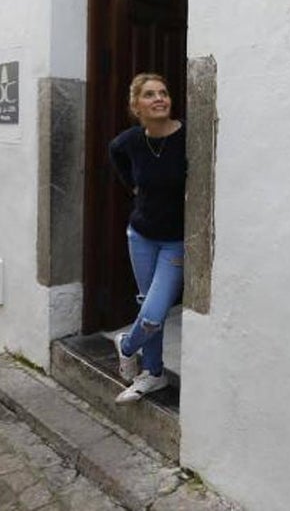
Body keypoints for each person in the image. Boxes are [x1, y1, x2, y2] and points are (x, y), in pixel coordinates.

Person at [108, 73, 186, 404]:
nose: (159, 99)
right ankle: (152, 373)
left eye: (164, 93)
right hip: (140, 235)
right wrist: (134, 186)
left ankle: (127, 342)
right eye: (150, 94)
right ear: (136, 105)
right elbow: (116, 155)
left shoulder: (186, 137)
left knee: (153, 314)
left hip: (174, 241)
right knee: (145, 302)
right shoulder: (130, 141)